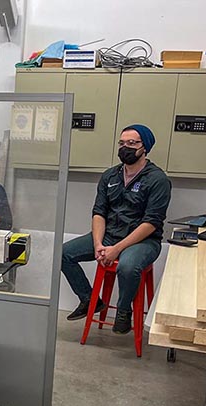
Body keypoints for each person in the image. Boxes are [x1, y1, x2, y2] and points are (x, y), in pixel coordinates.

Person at [62, 124, 171, 334]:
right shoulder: (110, 176)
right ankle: (88, 300)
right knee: (64, 253)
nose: (125, 148)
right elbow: (99, 212)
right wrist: (98, 244)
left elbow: (151, 222)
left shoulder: (158, 180)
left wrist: (117, 249)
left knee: (128, 266)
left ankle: (123, 311)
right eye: (122, 143)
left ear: (145, 147)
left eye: (132, 143)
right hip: (110, 235)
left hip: (144, 241)